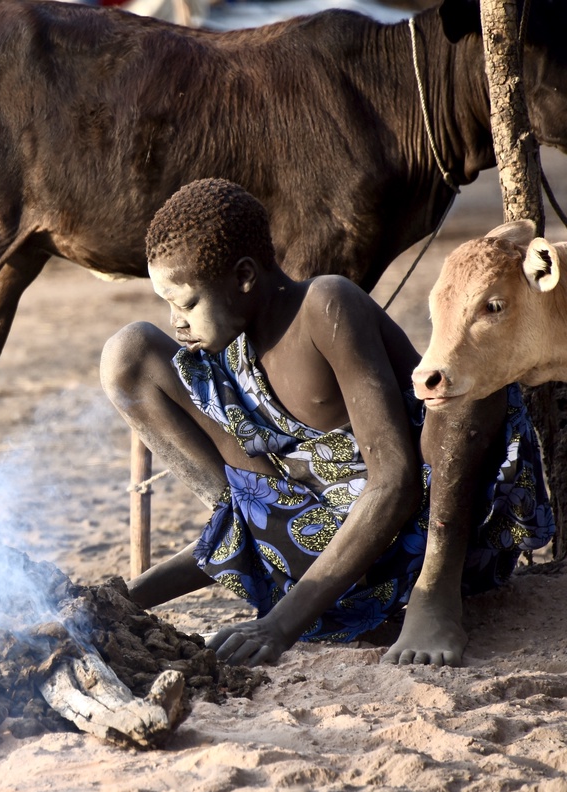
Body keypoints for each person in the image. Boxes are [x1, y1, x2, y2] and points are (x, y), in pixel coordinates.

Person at [99, 178, 554, 668]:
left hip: (415, 534)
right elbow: (251, 501)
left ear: (245, 277)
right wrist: (119, 602)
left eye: (186, 303)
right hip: (306, 540)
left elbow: (395, 485)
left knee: (465, 386)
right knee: (129, 354)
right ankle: (261, 567)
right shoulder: (229, 346)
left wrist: (279, 626)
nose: (175, 321)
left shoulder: (325, 307)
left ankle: (435, 595)